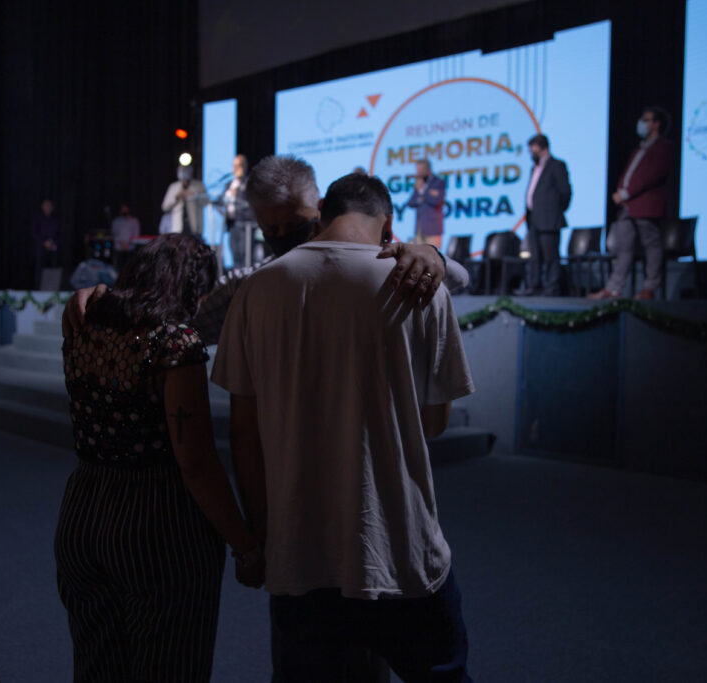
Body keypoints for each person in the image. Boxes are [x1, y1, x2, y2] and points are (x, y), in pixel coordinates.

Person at [212, 172, 474, 682]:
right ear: (388, 225)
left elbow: (243, 434)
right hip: (399, 548)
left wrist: (258, 536)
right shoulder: (422, 285)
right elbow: (433, 424)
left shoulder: (256, 289)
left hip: (299, 554)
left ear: (320, 218)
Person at [55, 234, 262, 683]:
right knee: (169, 667)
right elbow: (196, 462)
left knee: (96, 667)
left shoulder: (83, 326)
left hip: (82, 510)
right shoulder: (174, 343)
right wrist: (245, 546)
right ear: (191, 286)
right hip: (157, 522)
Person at [64, 155, 469, 345]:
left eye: (292, 224)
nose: (281, 235)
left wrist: (432, 256)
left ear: (320, 209)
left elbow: (458, 281)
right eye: (270, 229)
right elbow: (180, 323)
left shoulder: (375, 263)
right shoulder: (251, 284)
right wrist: (108, 302)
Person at [589, 106, 675, 300]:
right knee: (623, 248)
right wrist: (621, 192)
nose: (641, 123)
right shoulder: (639, 149)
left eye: (646, 120)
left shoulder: (663, 147)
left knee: (651, 246)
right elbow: (628, 174)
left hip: (646, 205)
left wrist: (627, 193)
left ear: (657, 124)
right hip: (628, 206)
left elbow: (651, 175)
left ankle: (649, 288)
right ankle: (613, 288)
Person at [520, 134, 572, 296]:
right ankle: (534, 286)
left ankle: (551, 287)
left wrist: (554, 212)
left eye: (533, 150)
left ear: (544, 148)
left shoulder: (557, 165)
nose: (531, 154)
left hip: (550, 219)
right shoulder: (534, 168)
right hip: (534, 219)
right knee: (535, 256)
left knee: (551, 256)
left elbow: (565, 192)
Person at [220, 154, 259, 268]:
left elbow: (251, 202)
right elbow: (222, 201)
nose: (237, 168)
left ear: (245, 166)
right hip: (232, 225)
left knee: (245, 255)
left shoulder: (249, 183)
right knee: (235, 254)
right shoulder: (229, 184)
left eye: (240, 165)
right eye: (235, 166)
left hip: (245, 225)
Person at [407, 158, 447, 248]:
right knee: (419, 254)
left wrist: (422, 190)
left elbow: (435, 201)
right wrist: (422, 194)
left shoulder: (438, 182)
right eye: (417, 170)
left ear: (427, 169)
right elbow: (410, 203)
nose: (417, 173)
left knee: (433, 254)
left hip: (433, 228)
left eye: (419, 170)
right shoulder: (418, 183)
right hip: (419, 228)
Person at [161, 166, 207, 237]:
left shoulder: (199, 186)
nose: (184, 173)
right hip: (178, 228)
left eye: (186, 170)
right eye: (182, 170)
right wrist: (177, 197)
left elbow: (206, 202)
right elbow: (165, 207)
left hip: (194, 227)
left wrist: (194, 195)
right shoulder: (174, 187)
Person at [31, 198, 60, 288]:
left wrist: (54, 243)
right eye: (46, 206)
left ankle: (52, 287)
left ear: (52, 207)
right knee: (40, 267)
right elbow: (35, 232)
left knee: (53, 266)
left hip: (53, 245)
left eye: (49, 206)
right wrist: (44, 242)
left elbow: (60, 233)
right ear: (42, 207)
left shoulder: (56, 218)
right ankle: (38, 287)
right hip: (41, 245)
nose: (48, 208)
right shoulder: (38, 218)